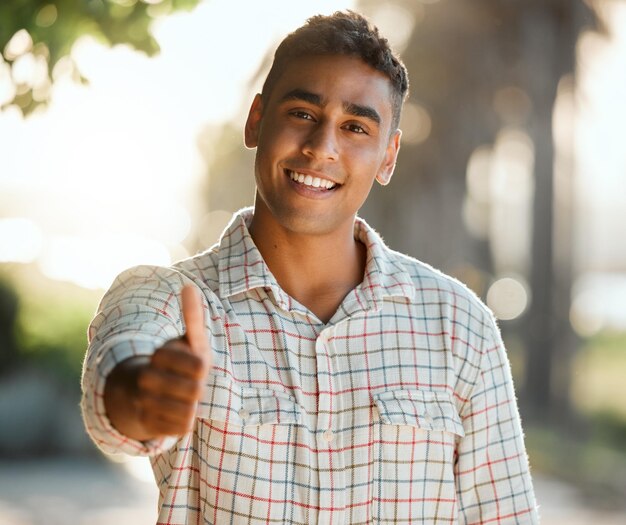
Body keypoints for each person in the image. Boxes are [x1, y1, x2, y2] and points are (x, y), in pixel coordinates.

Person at [81, 11, 538, 524]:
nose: (322, 147)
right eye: (302, 113)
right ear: (257, 120)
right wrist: (141, 396)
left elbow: (504, 516)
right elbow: (118, 384)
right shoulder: (170, 298)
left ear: (388, 156)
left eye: (355, 127)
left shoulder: (459, 325)